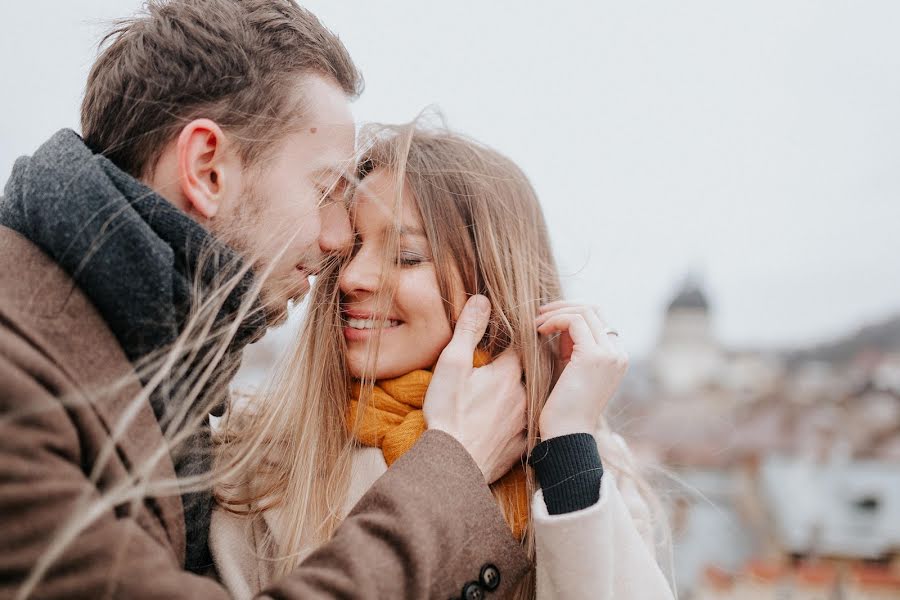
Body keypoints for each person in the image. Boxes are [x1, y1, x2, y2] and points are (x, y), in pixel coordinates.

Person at [0, 2, 533, 598]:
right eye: (324, 189)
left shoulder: (151, 365)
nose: (337, 242)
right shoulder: (16, 375)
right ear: (207, 169)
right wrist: (448, 477)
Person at [211, 123, 676, 600]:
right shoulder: (255, 458)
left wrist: (568, 446)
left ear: (492, 282)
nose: (351, 276)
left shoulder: (589, 464)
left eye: (407, 256)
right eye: (349, 250)